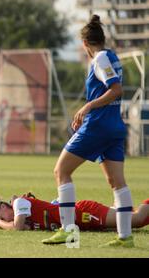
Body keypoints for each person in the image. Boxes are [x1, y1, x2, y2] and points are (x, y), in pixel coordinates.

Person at [42, 15, 134, 247]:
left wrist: (88, 106)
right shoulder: (112, 56)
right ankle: (125, 237)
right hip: (114, 128)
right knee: (117, 182)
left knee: (61, 171)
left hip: (98, 127)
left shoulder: (100, 58)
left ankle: (68, 231)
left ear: (85, 44)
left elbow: (115, 90)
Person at [0, 193, 149, 232]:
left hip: (83, 213)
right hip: (81, 221)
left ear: (3, 207)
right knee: (127, 222)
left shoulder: (18, 203)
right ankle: (117, 207)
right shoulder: (26, 218)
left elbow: (17, 227)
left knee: (138, 220)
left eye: (2, 216)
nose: (5, 220)